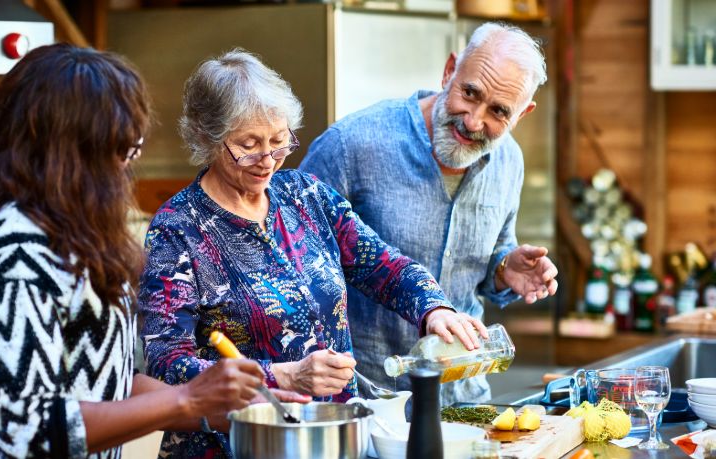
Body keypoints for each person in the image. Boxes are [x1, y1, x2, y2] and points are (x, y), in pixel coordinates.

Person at [0, 44, 297, 459]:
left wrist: (232, 410)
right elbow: (29, 430)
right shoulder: (14, 252)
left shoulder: (73, 236)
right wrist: (187, 399)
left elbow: (108, 380)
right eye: (121, 150)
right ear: (69, 154)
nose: (125, 167)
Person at [138, 48, 489, 458]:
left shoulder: (305, 195)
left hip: (330, 440)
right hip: (235, 445)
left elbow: (384, 266)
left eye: (279, 141)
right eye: (248, 146)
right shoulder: (177, 228)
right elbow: (166, 363)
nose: (268, 160)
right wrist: (283, 377)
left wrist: (434, 309)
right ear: (207, 138)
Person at [300, 22, 559, 405]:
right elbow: (290, 261)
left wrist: (505, 270)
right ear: (449, 70)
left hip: (463, 398)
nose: (473, 121)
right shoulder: (352, 145)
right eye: (469, 93)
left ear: (522, 114)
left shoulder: (510, 162)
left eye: (498, 111)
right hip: (370, 398)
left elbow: (490, 259)